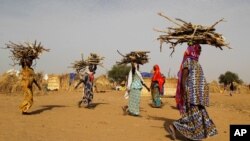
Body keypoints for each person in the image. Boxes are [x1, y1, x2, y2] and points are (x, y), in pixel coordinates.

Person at [167, 43, 217, 140]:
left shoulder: (197, 62)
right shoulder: (188, 61)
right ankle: (175, 127)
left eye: (200, 49)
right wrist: (185, 92)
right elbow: (183, 78)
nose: (200, 51)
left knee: (198, 115)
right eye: (199, 49)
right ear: (193, 49)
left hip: (198, 96)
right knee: (194, 116)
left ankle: (190, 134)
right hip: (191, 95)